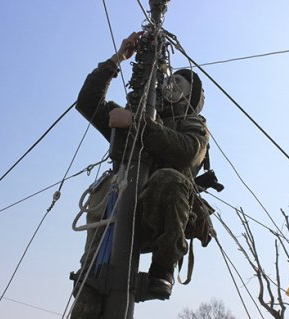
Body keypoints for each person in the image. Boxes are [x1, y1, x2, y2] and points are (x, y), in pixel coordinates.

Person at [71, 31, 209, 317]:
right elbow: (87, 102)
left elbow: (188, 152)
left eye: (178, 82)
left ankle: (162, 269)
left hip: (157, 215)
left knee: (170, 179)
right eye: (169, 79)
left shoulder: (193, 125)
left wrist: (136, 123)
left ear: (189, 97)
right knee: (91, 288)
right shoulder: (135, 115)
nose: (170, 83)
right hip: (115, 212)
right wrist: (117, 59)